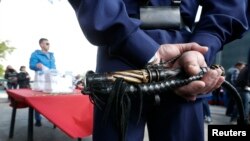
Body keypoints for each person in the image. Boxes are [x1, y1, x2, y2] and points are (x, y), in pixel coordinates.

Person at [68, 0, 249, 141]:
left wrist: (201, 48)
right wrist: (203, 46)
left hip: (183, 59)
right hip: (126, 60)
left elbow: (229, 5)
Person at [29, 38, 56, 127]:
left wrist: (56, 74)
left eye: (49, 43)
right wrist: (37, 65)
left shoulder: (51, 55)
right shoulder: (36, 54)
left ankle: (52, 118)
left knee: (52, 98)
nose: (48, 45)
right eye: (46, 43)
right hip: (40, 78)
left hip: (51, 79)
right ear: (41, 44)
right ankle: (38, 119)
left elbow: (54, 67)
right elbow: (31, 65)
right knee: (39, 99)